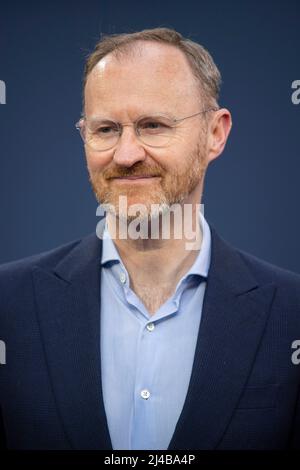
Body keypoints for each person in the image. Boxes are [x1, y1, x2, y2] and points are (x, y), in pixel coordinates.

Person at [0, 27, 300, 450]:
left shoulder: (291, 314)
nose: (126, 155)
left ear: (215, 133)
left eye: (153, 125)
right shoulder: (7, 307)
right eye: (106, 130)